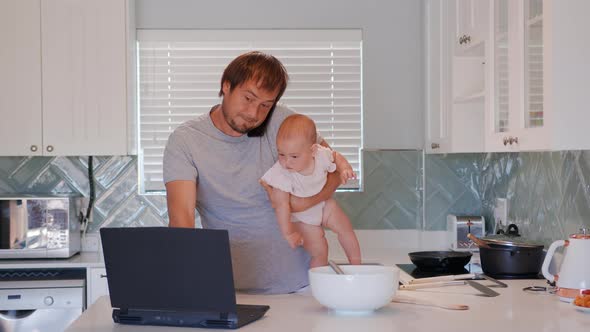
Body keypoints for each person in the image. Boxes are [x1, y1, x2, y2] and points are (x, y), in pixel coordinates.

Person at [163, 51, 351, 294]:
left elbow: (333, 170)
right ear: (226, 86)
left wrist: (304, 202)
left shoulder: (283, 121)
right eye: (248, 98)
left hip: (302, 285)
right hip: (227, 289)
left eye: (265, 105)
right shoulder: (186, 141)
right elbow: (181, 221)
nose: (254, 114)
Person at [260, 114, 361, 268]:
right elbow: (281, 206)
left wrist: (345, 167)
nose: (287, 162)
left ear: (312, 150)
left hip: (324, 205)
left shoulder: (321, 154)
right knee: (320, 250)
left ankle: (357, 265)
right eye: (281, 154)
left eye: (294, 156)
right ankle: (318, 278)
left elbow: (336, 156)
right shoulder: (281, 173)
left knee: (345, 227)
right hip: (303, 218)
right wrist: (288, 233)